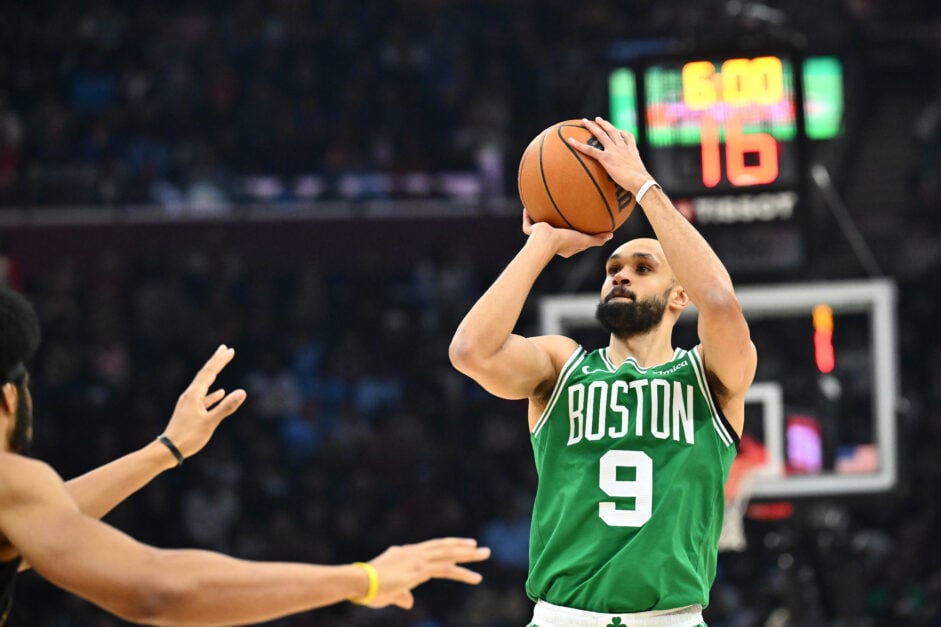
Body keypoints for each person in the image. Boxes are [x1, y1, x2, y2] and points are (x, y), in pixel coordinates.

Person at [0, 286, 490, 625]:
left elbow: (45, 516)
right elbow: (157, 588)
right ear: (9, 400)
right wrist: (363, 578)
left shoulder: (17, 500)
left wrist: (165, 450)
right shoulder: (11, 480)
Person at [449, 117, 757, 627]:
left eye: (642, 268)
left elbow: (721, 301)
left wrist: (642, 186)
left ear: (681, 295)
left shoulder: (710, 378)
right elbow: (470, 352)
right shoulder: (560, 367)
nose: (620, 275)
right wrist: (541, 243)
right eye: (613, 268)